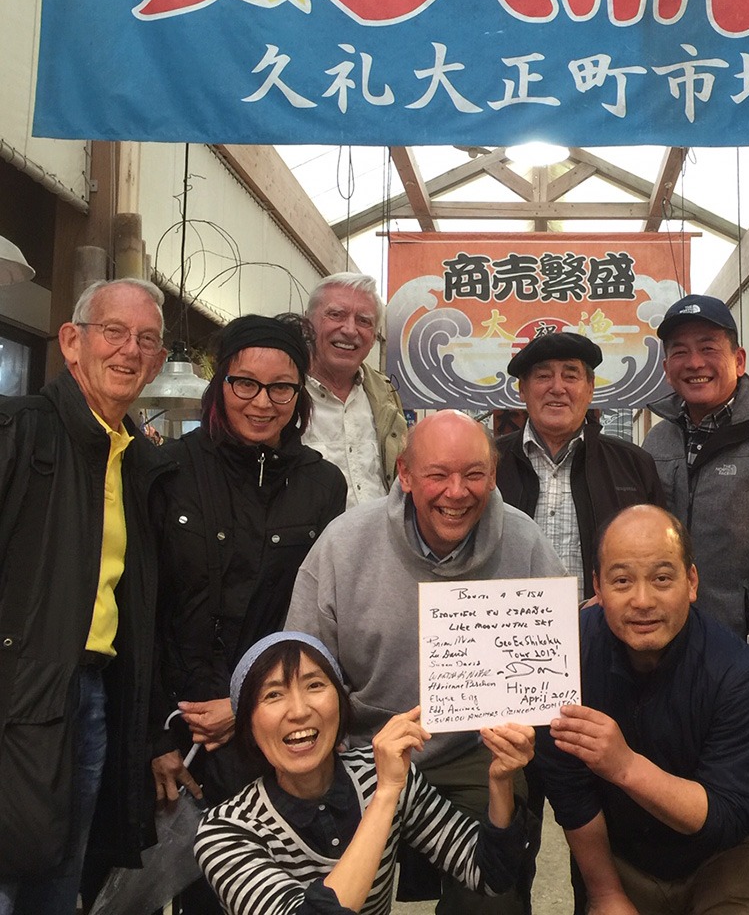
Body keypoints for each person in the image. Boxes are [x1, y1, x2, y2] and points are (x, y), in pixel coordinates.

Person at [287, 410, 565, 914]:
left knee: (494, 897)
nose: (456, 492)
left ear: (493, 475)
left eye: (474, 474)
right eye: (437, 474)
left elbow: (554, 655)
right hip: (361, 747)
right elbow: (302, 661)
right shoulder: (344, 544)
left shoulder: (524, 542)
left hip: (474, 749)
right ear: (405, 473)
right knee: (332, 895)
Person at [151, 314, 346, 911]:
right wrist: (154, 735)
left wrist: (244, 705)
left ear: (299, 393)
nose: (263, 402)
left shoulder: (323, 485)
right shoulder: (165, 471)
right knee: (195, 892)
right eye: (245, 384)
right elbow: (143, 614)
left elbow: (317, 622)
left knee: (280, 889)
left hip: (272, 728)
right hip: (180, 727)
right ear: (220, 384)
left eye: (281, 387)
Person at [0, 279, 170, 914]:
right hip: (17, 693)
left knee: (59, 873)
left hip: (92, 693)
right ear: (72, 342)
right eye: (114, 332)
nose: (129, 350)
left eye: (146, 340)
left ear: (158, 361)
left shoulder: (135, 459)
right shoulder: (19, 432)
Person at [537, 504, 749, 915]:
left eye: (662, 578)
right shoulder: (564, 655)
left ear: (691, 581)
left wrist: (624, 766)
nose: (642, 601)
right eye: (621, 581)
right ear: (597, 587)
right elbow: (569, 790)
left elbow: (728, 814)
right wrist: (605, 893)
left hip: (729, 852)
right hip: (621, 848)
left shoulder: (737, 672)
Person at [195, 631, 534, 915]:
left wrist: (500, 780)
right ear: (248, 724)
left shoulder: (380, 775)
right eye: (273, 694)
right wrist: (385, 796)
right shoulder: (225, 831)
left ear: (341, 704)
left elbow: (490, 875)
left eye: (314, 685)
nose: (298, 711)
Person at [642, 295, 749, 660]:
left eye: (708, 348)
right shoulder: (657, 441)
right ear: (667, 367)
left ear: (739, 360)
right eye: (680, 352)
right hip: (670, 641)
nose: (695, 363)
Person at [496, 331, 665, 602]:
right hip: (506, 622)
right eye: (543, 376)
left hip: (605, 625)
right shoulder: (487, 464)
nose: (557, 388)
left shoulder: (633, 466)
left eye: (571, 376)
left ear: (590, 388)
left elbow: (659, 557)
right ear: (522, 389)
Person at [303, 273, 407, 508]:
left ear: (374, 336)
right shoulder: (282, 394)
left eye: (363, 321)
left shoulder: (386, 395)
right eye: (336, 315)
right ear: (307, 323)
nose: (350, 330)